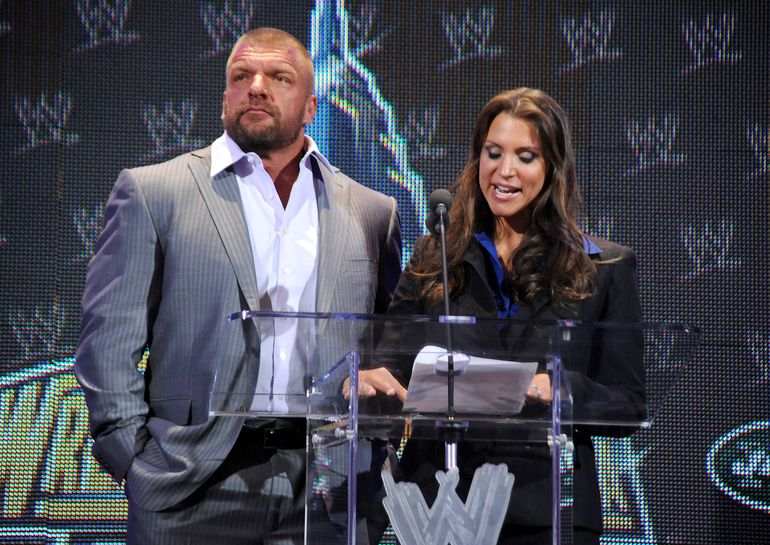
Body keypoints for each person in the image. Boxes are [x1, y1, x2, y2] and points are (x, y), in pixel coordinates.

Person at [75, 27, 401, 545]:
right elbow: (106, 345)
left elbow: (391, 346)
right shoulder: (155, 192)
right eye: (241, 76)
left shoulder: (371, 211)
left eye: (279, 77)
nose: (257, 87)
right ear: (224, 95)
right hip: (190, 486)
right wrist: (133, 460)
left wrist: (377, 446)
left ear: (311, 107)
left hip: (328, 491)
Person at [356, 87, 645, 544]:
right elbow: (391, 367)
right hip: (441, 504)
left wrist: (558, 387)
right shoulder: (436, 257)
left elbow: (627, 404)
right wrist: (369, 381)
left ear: (552, 169)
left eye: (525, 157)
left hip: (549, 508)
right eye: (493, 153)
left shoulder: (604, 267)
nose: (504, 171)